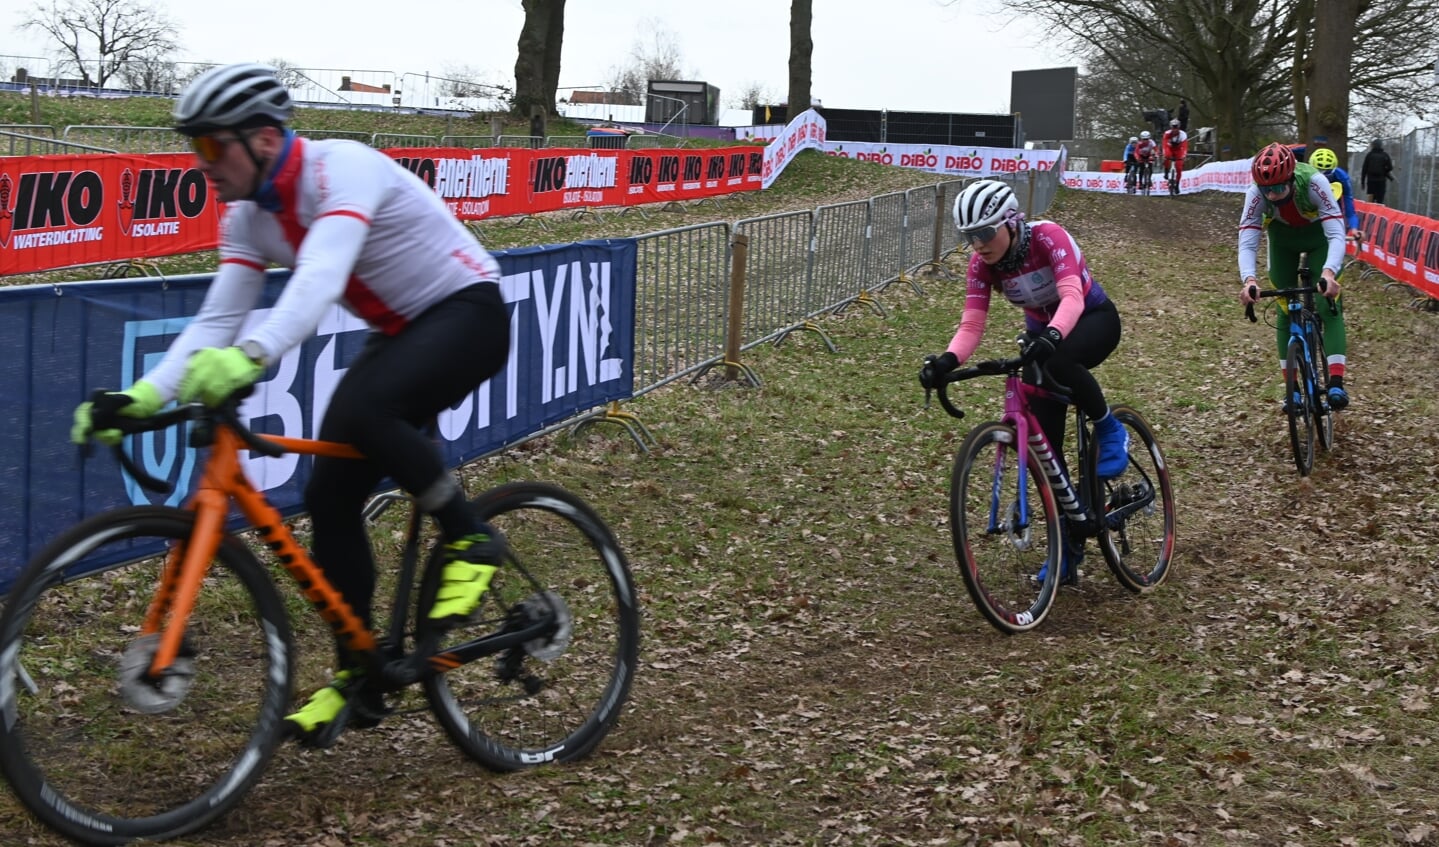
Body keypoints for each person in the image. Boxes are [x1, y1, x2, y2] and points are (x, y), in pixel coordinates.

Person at [69, 63, 512, 747]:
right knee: (329, 495)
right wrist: (142, 394)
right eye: (196, 148)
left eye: (213, 146)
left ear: (265, 139)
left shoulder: (342, 170)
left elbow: (319, 279)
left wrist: (252, 357)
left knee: (368, 410)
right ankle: (358, 672)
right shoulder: (248, 218)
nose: (203, 164)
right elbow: (217, 321)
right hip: (399, 330)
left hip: (468, 309)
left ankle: (471, 535)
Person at [920, 179, 1127, 584]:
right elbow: (972, 324)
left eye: (984, 232)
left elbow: (1072, 297)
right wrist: (946, 361)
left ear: (1011, 222)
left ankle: (1110, 427)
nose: (978, 244)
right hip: (1043, 338)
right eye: (969, 236)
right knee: (1047, 448)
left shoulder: (1048, 237)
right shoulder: (982, 265)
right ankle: (1068, 546)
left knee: (1061, 358)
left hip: (1092, 320)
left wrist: (1051, 336)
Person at [1237, 142, 1352, 411]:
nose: (1273, 196)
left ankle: (1336, 382)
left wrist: (1328, 273)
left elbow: (1336, 234)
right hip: (1283, 240)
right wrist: (1249, 280)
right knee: (1285, 308)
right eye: (1267, 190)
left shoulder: (1315, 182)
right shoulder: (1255, 193)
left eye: (1278, 188)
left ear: (1290, 178)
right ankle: (1294, 390)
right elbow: (1247, 241)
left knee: (1328, 306)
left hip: (1319, 238)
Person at [1308, 147, 1362, 238]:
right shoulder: (1304, 175)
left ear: (1334, 169)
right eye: (1318, 172)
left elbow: (1350, 209)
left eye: (1327, 173)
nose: (1322, 178)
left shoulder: (1342, 177)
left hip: (1332, 211)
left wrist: (1354, 228)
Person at [1361, 139, 1394, 205]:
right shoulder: (1385, 155)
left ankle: (1369, 212)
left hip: (1371, 181)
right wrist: (1384, 172)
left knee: (1370, 201)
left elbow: (1364, 169)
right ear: (1381, 145)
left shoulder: (1369, 155)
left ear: (1373, 145)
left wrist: (1363, 182)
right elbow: (1390, 167)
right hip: (1381, 181)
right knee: (1380, 201)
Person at [1161, 119, 1189, 194]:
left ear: (1179, 127)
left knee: (1179, 167)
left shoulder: (1183, 135)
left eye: (1176, 127)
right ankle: (1166, 171)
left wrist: (1183, 156)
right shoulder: (1167, 133)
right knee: (1167, 156)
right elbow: (1164, 145)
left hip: (1178, 150)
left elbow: (1185, 147)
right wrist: (1164, 154)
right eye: (1173, 127)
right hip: (1169, 148)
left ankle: (1177, 185)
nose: (1175, 129)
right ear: (1171, 127)